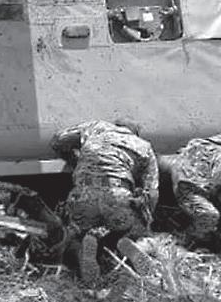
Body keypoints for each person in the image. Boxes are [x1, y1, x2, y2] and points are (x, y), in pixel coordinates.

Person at [51, 120, 159, 283]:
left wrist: (73, 160)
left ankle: (83, 250)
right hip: (118, 195)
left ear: (115, 125)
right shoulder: (144, 146)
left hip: (84, 194)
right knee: (130, 230)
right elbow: (152, 192)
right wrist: (145, 221)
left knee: (75, 233)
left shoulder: (96, 127)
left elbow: (58, 140)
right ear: (135, 133)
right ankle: (131, 244)